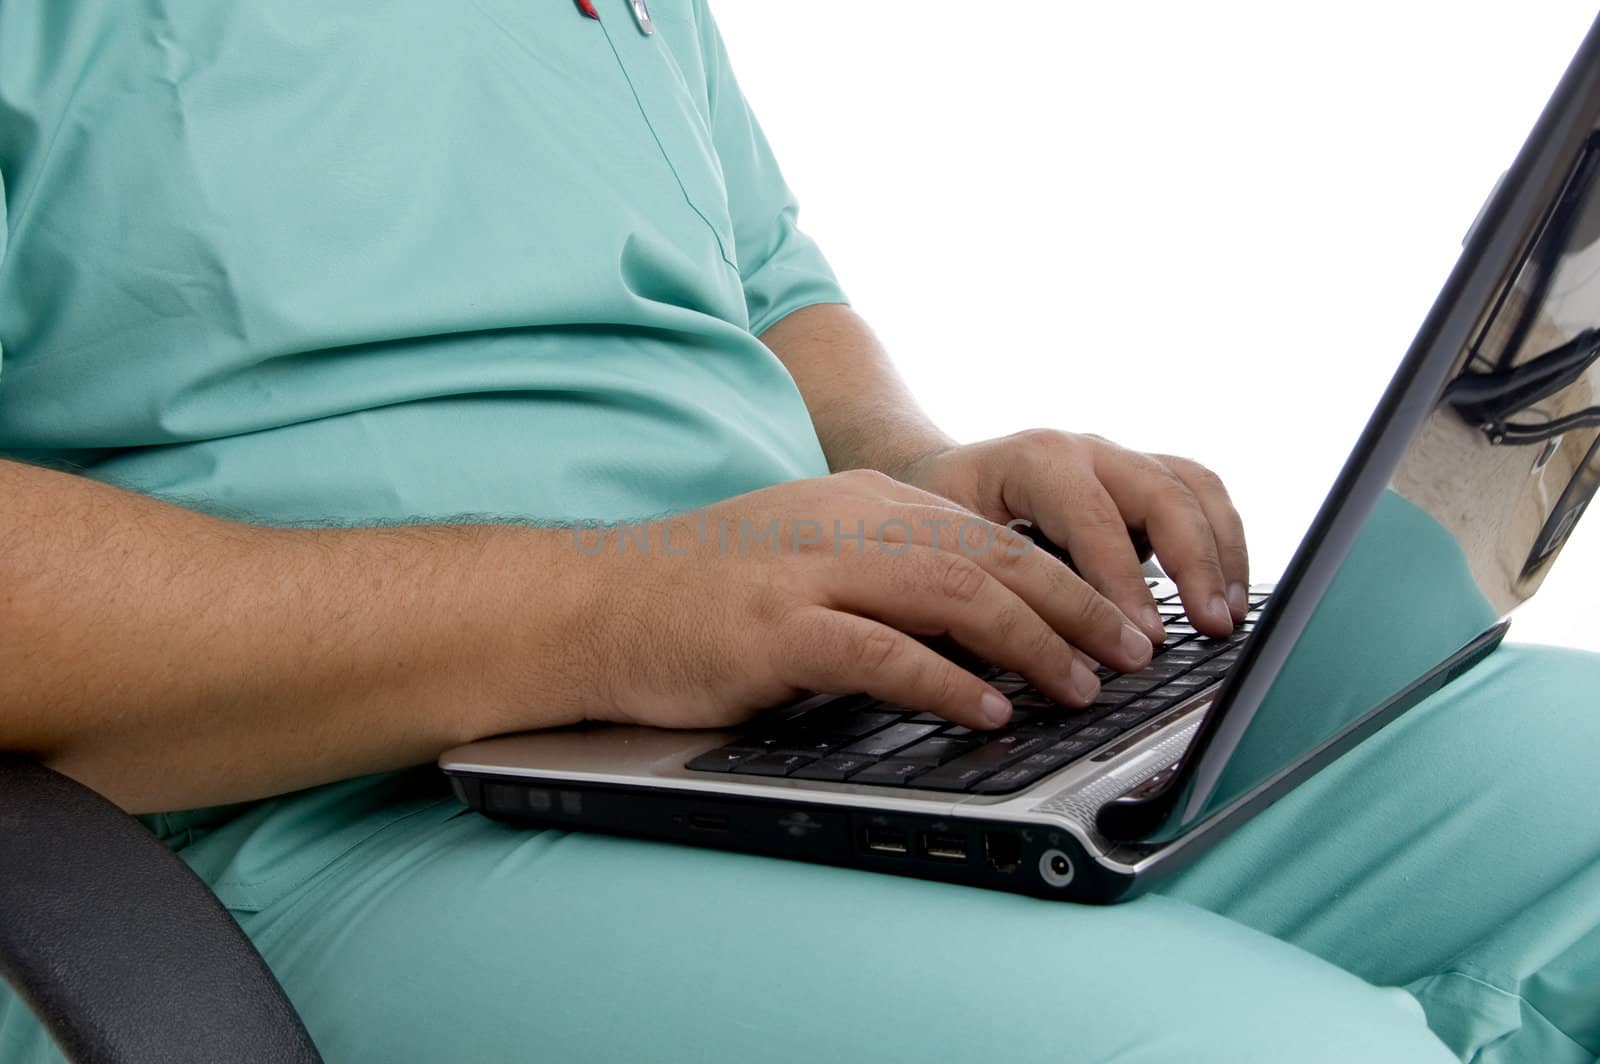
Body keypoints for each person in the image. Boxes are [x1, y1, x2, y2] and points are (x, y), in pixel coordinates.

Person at [0, 4, 1595, 1061]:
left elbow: (760, 288)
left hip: (809, 719)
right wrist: (605, 606)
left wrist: (924, 484)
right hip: (307, 825)